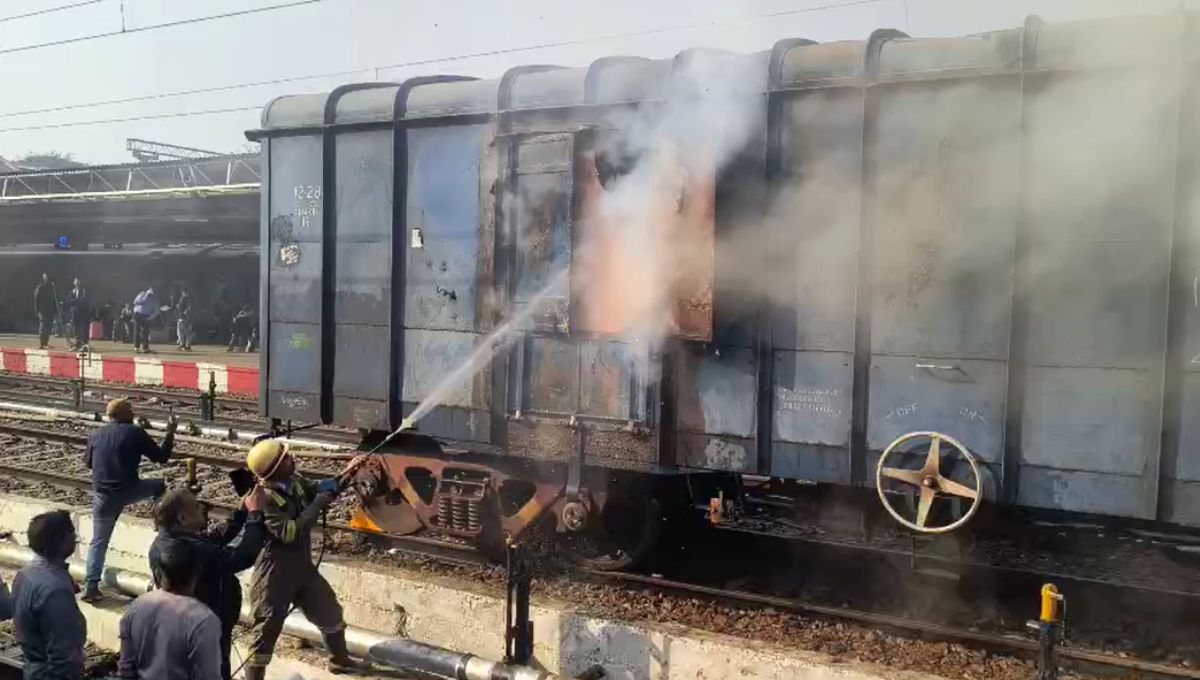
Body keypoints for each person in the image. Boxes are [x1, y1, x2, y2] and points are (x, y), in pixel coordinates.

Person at [242, 440, 370, 678]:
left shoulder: (295, 483)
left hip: (301, 568)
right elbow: (289, 532)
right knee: (266, 630)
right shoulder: (265, 500)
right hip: (275, 574)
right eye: (287, 459)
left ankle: (340, 660)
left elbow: (323, 488)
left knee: (329, 611)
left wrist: (348, 472)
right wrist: (318, 504)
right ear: (275, 469)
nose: (293, 460)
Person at [150, 487, 267, 680]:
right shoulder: (189, 552)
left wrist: (241, 512)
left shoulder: (167, 541)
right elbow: (242, 557)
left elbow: (214, 539)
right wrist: (255, 515)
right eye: (196, 507)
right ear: (182, 519)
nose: (203, 509)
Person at [82, 398, 177, 602]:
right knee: (158, 486)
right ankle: (161, 526)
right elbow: (161, 457)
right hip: (128, 490)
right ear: (126, 414)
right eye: (131, 410)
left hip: (102, 496)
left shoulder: (97, 433)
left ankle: (91, 586)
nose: (134, 413)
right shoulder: (134, 432)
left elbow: (89, 463)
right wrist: (170, 433)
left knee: (98, 541)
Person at [118, 541, 222, 680]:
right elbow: (208, 676)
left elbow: (125, 669)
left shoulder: (137, 606)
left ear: (158, 573)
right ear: (197, 574)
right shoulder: (203, 620)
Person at [12, 510, 86, 680]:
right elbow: (63, 655)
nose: (75, 537)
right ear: (61, 540)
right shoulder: (55, 590)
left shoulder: (25, 574)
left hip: (33, 668)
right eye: (71, 532)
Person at [132, 287, 159, 354]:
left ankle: (145, 348)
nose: (152, 292)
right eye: (151, 290)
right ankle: (136, 347)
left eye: (153, 291)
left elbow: (156, 310)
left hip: (146, 316)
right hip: (138, 314)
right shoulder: (142, 294)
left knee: (145, 332)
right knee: (137, 331)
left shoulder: (154, 299)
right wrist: (146, 295)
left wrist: (152, 317)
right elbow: (136, 302)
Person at [33, 274, 57, 349]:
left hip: (50, 311)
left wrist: (55, 310)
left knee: (48, 327)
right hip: (42, 311)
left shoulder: (52, 288)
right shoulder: (40, 288)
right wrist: (37, 310)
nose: (48, 279)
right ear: (44, 279)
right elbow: (36, 300)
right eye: (46, 278)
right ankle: (42, 343)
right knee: (43, 327)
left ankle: (46, 343)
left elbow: (55, 300)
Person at [67, 278, 89, 351]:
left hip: (83, 313)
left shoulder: (84, 291)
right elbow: (69, 300)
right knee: (77, 330)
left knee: (83, 329)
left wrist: (75, 301)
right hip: (75, 313)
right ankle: (77, 345)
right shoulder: (72, 291)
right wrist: (75, 301)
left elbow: (83, 301)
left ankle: (84, 345)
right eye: (76, 281)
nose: (77, 282)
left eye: (79, 281)